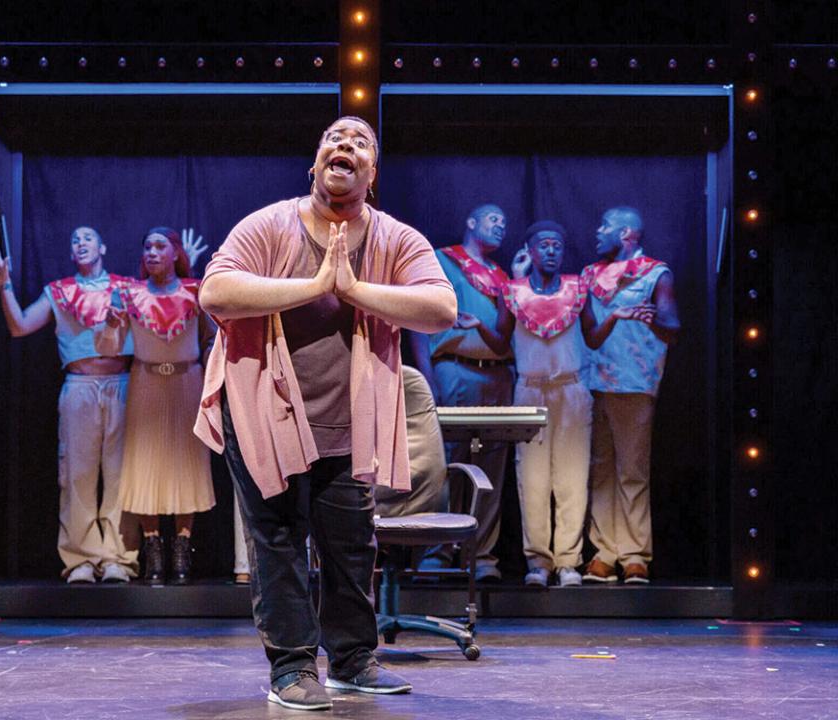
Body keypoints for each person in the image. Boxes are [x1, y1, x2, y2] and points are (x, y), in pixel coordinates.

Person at [194, 116, 456, 711]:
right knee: (278, 540)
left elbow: (441, 307)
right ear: (316, 165)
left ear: (372, 173)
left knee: (351, 542)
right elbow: (216, 292)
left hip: (347, 418)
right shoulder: (269, 225)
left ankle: (353, 660)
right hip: (263, 412)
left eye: (361, 143)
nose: (346, 146)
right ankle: (290, 668)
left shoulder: (394, 238)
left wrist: (354, 289)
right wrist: (315, 284)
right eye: (334, 140)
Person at [0, 226, 137, 584]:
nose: (80, 243)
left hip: (122, 384)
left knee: (121, 475)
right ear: (71, 253)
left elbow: (165, 308)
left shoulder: (126, 289)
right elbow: (20, 326)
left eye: (88, 238)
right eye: (74, 240)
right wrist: (4, 284)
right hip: (80, 386)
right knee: (77, 474)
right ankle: (81, 559)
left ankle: (118, 558)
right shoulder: (59, 291)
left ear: (102, 246)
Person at [459, 221, 592, 587]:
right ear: (530, 251)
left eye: (557, 245)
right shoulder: (512, 291)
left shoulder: (578, 288)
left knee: (572, 477)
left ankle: (568, 561)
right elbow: (502, 343)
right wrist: (477, 326)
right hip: (530, 390)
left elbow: (593, 337)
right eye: (544, 245)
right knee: (531, 478)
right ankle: (539, 562)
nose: (551, 251)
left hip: (571, 389)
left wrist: (616, 317)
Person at [96, 227, 216, 585]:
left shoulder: (196, 291)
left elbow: (212, 338)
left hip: (186, 382)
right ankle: (153, 549)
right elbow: (109, 347)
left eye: (160, 246)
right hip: (146, 383)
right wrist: (111, 324)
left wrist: (211, 374)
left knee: (187, 462)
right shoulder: (129, 294)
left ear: (174, 252)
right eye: (147, 246)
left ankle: (181, 547)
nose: (152, 252)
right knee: (145, 462)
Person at [409, 204, 514, 582]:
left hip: (497, 374)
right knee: (446, 462)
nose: (501, 226)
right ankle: (438, 549)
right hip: (453, 368)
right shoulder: (443, 261)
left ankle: (480, 554)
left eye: (505, 222)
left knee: (491, 467)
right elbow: (419, 320)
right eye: (493, 219)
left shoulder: (502, 277)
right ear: (471, 221)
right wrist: (428, 377)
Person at [579, 206, 680, 585]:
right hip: (596, 381)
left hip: (635, 381)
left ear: (626, 234)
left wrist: (652, 315)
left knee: (632, 471)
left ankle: (635, 554)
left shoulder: (655, 273)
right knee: (601, 470)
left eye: (604, 225)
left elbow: (673, 326)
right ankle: (604, 552)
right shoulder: (591, 275)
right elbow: (589, 333)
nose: (597, 231)